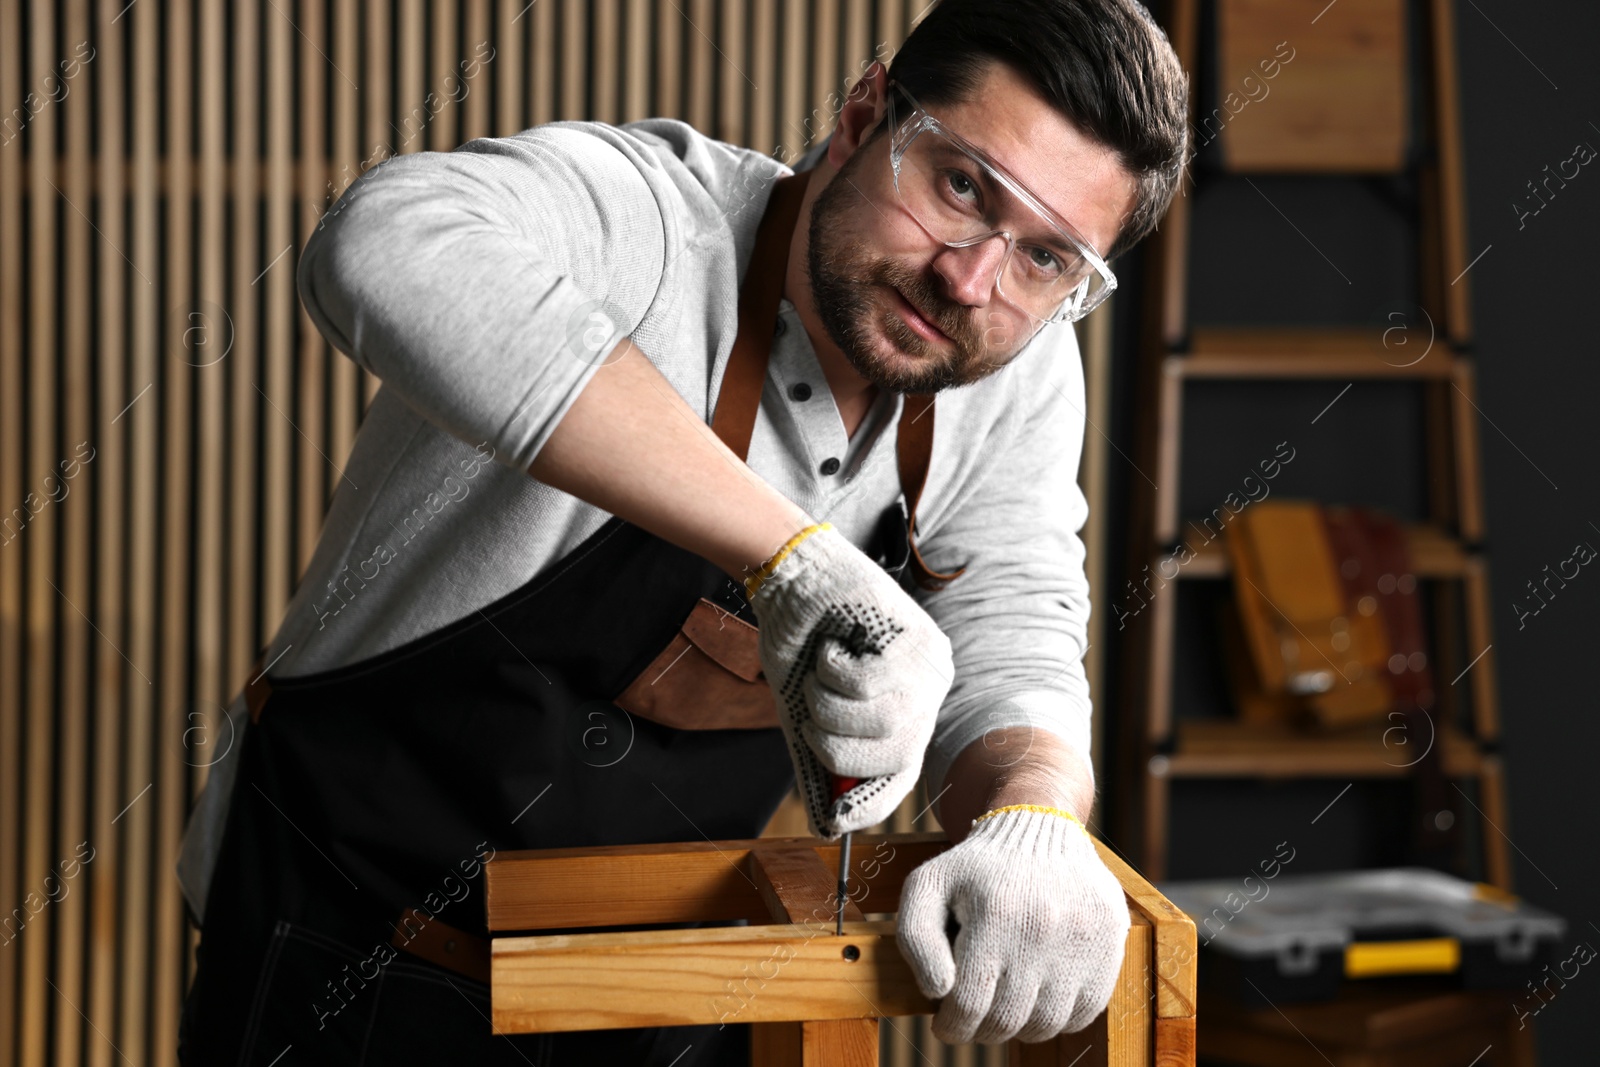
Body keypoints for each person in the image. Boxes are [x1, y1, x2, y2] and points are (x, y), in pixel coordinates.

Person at [176, 0, 1188, 1062]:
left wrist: (1033, 815)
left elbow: (1012, 627)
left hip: (654, 988)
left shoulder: (1012, 372)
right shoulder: (652, 225)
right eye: (960, 186)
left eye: (1046, 259)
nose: (970, 278)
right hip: (341, 959)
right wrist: (790, 554)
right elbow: (380, 239)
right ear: (860, 116)